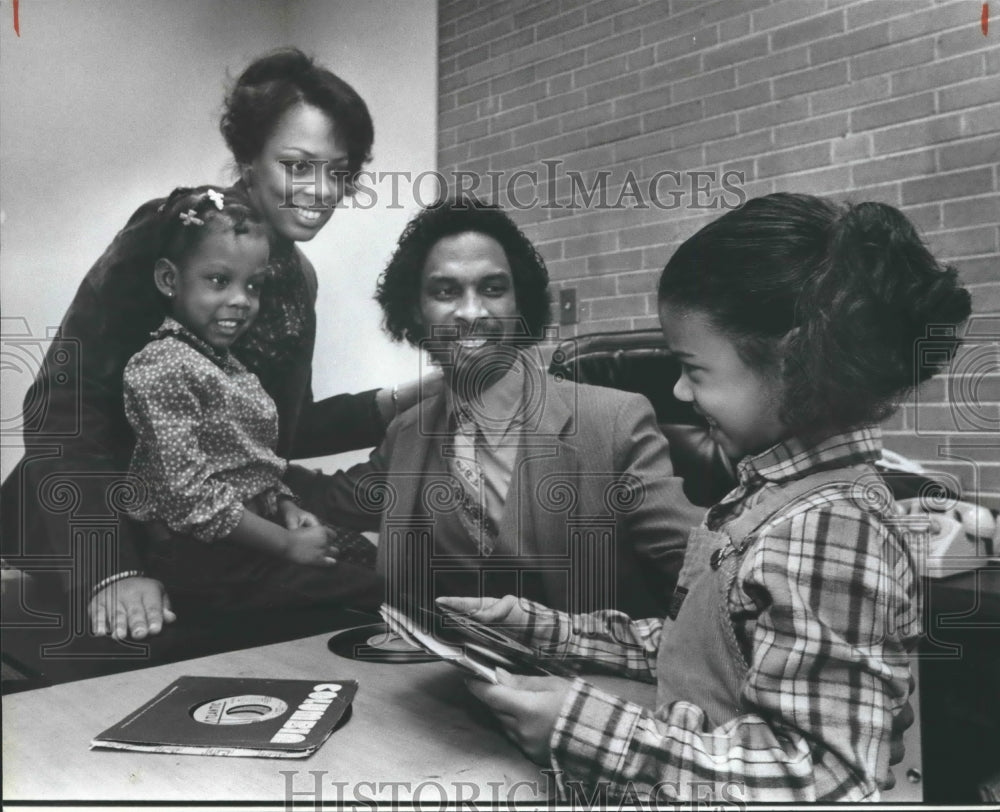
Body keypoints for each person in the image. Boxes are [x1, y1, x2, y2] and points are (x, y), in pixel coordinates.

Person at [440, 193, 972, 802]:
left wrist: (588, 731)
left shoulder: (833, 528)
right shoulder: (766, 497)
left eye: (694, 370)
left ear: (796, 363)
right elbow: (700, 647)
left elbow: (828, 781)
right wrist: (534, 628)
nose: (679, 391)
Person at [0, 48, 426, 641]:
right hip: (100, 523)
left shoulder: (298, 279)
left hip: (213, 528)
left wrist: (404, 399)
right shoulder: (176, 227)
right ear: (248, 156)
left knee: (387, 579)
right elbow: (65, 407)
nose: (322, 191)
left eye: (340, 172)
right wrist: (110, 569)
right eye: (299, 166)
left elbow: (273, 430)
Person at [286, 197, 704, 619]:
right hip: (444, 674)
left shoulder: (614, 422)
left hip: (588, 675)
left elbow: (703, 569)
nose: (471, 312)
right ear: (415, 309)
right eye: (446, 291)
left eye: (492, 288)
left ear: (518, 303)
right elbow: (325, 496)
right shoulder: (407, 434)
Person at [122, 186, 378, 617]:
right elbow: (187, 498)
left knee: (366, 559)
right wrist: (285, 544)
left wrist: (286, 506)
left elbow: (251, 462)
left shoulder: (231, 368)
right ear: (170, 279)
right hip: (204, 559)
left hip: (252, 538)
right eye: (219, 281)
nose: (241, 301)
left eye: (253, 285)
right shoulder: (163, 365)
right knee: (374, 595)